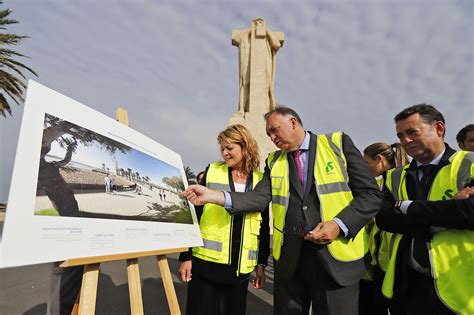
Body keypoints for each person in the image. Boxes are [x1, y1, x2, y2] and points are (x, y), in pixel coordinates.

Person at [183, 106, 382, 315]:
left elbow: (371, 195)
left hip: (335, 261)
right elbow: (258, 199)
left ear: (293, 122)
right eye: (269, 134)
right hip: (290, 265)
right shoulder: (274, 161)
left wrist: (338, 225)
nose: (272, 137)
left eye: (274, 130)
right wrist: (215, 196)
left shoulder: (337, 144)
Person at [375, 104, 474, 315]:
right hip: (406, 284)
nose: (405, 141)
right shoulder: (394, 176)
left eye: (412, 132)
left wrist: (405, 206)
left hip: (460, 284)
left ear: (438, 128)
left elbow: (471, 212)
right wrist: (448, 212)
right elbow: (384, 219)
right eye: (400, 135)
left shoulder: (469, 163)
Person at [178, 124, 270, 315]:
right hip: (205, 267)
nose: (225, 153)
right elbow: (195, 213)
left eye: (230, 148)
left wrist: (261, 264)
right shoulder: (212, 171)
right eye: (222, 148)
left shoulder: (261, 181)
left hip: (240, 272)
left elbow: (263, 226)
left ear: (245, 147)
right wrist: (186, 256)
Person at [360, 142, 409, 315]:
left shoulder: (382, 185)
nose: (364, 168)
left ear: (379, 160)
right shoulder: (406, 178)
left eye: (366, 162)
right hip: (398, 261)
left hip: (386, 262)